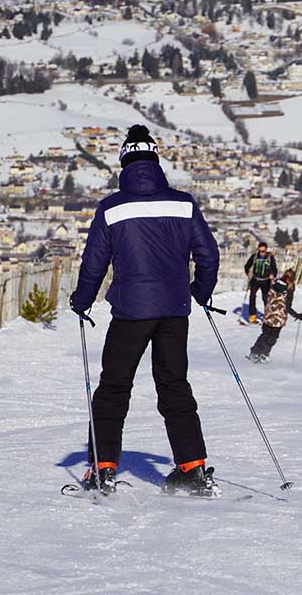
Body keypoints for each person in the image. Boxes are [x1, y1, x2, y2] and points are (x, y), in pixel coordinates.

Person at [69, 124, 221, 497]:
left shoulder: (111, 208)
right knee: (174, 386)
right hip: (173, 311)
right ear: (155, 157)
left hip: (130, 313)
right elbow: (209, 256)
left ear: (124, 160)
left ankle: (103, 467)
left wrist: (82, 300)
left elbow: (94, 264)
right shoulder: (183, 204)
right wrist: (199, 292)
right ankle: (193, 467)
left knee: (114, 389)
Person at [247, 269, 302, 363]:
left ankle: (254, 352)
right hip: (278, 318)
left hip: (268, 315)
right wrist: (297, 315)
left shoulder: (273, 283)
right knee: (272, 337)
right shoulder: (289, 289)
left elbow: (266, 297)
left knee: (264, 335)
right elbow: (287, 307)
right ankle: (264, 354)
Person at [243, 241, 278, 323]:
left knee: (266, 299)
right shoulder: (254, 257)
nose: (261, 253)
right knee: (252, 297)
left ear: (266, 250)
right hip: (255, 280)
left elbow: (274, 268)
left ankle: (267, 316)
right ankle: (252, 317)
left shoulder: (270, 258)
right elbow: (247, 265)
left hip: (266, 281)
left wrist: (273, 275)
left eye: (263, 251)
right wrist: (248, 272)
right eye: (260, 251)